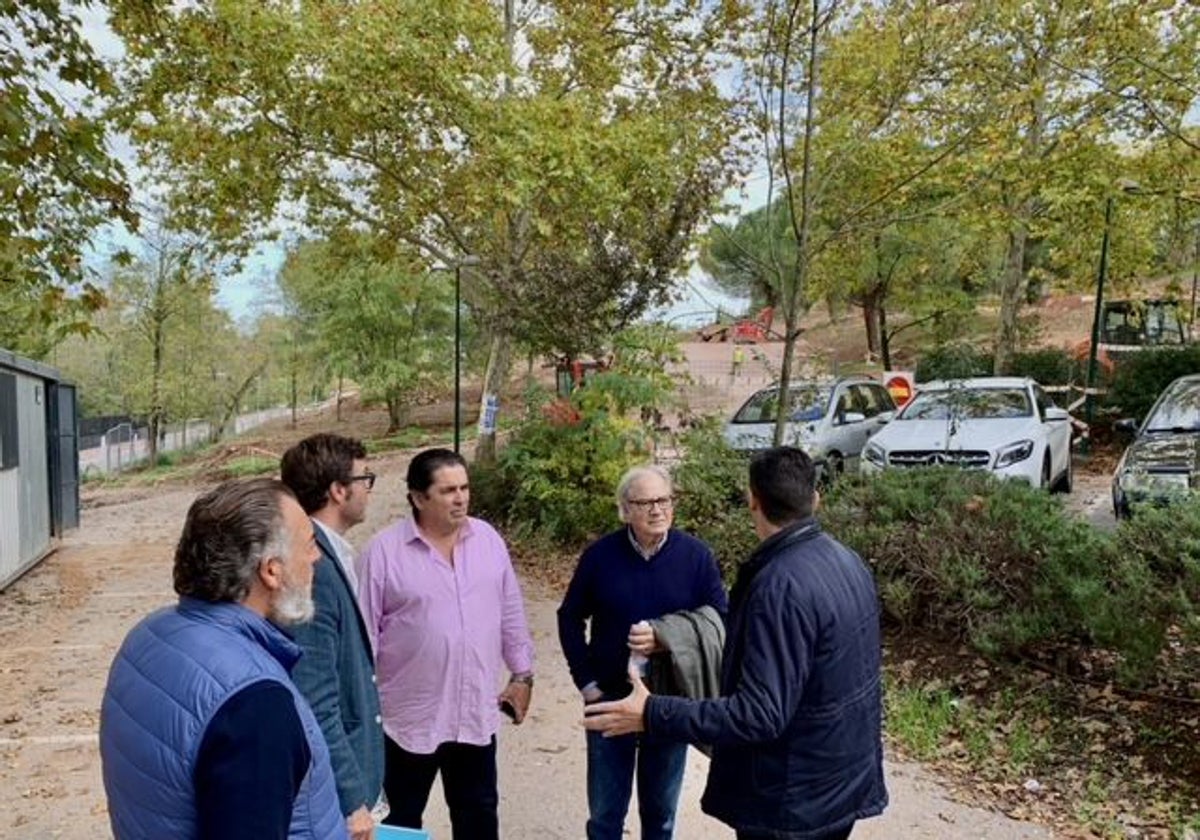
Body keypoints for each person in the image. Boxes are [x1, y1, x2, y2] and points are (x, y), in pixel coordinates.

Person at [584, 447, 887, 840]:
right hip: (840, 787)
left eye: (663, 500)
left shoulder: (780, 587)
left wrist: (654, 712)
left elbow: (759, 714)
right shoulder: (847, 560)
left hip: (791, 803)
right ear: (815, 499)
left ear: (753, 501)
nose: (657, 509)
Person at [99, 478, 348, 840]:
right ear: (271, 570)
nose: (317, 557)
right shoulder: (254, 702)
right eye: (309, 543)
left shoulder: (149, 635)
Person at [357, 448, 535, 840]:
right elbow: (363, 638)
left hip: (474, 714)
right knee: (397, 824)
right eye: (448, 490)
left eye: (465, 488)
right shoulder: (383, 553)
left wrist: (523, 674)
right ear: (419, 497)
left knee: (479, 817)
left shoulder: (487, 540)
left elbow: (510, 610)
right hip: (406, 720)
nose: (461, 498)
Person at [558, 464, 727, 840]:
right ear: (625, 509)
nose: (657, 510)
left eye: (664, 500)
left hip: (668, 702)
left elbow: (720, 619)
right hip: (610, 699)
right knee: (604, 815)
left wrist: (668, 636)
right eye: (645, 502)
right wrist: (586, 684)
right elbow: (569, 618)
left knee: (661, 816)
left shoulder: (696, 556)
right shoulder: (600, 556)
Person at [281, 433, 385, 840]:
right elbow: (316, 694)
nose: (369, 489)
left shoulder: (331, 553)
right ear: (338, 491)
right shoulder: (316, 567)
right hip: (340, 791)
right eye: (365, 479)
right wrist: (351, 798)